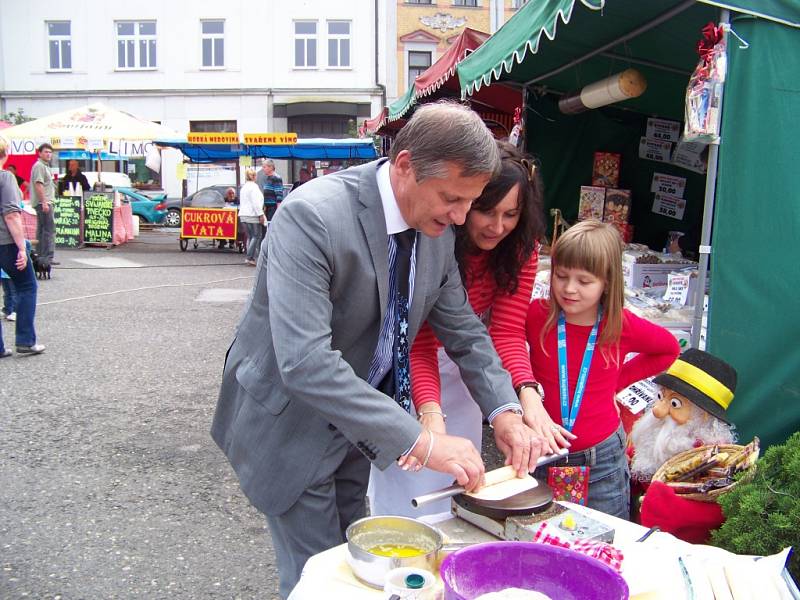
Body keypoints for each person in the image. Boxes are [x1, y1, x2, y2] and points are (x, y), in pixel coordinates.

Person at [211, 102, 546, 598]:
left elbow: (466, 333)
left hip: (357, 427)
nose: (460, 218)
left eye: (467, 203)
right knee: (318, 580)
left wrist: (505, 411)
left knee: (358, 564)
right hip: (291, 423)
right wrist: (424, 440)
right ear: (406, 165)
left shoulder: (435, 229)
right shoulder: (312, 217)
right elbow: (305, 362)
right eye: (452, 199)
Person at [368, 142, 551, 517]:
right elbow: (417, 344)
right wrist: (430, 415)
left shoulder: (521, 248)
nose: (497, 227)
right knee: (410, 486)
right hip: (411, 365)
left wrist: (523, 400)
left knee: (460, 479)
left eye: (511, 214)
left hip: (471, 365)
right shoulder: (436, 240)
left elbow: (505, 332)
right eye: (485, 210)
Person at [525, 220, 680, 519]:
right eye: (561, 276)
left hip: (602, 461)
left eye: (584, 281)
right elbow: (506, 347)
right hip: (542, 454)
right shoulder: (537, 316)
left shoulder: (620, 325)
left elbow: (668, 349)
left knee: (603, 542)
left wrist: (617, 382)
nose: (569, 288)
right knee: (541, 539)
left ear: (607, 282)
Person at [0, 137, 45, 357]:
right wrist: (21, 247)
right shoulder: (5, 177)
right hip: (4, 243)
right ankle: (25, 340)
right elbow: (11, 215)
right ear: (4, 154)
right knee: (27, 286)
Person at [30, 143, 58, 266]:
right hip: (44, 202)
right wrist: (44, 202)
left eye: (50, 152)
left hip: (44, 202)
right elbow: (38, 184)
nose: (48, 154)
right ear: (40, 153)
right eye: (46, 152)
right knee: (49, 230)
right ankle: (47, 257)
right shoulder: (39, 166)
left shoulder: (45, 166)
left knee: (42, 230)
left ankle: (41, 257)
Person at [238, 169, 265, 266]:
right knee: (256, 236)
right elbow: (256, 202)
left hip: (243, 215)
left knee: (250, 237)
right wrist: (261, 214)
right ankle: (250, 257)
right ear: (254, 177)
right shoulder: (254, 188)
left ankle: (250, 256)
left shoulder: (244, 187)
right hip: (252, 215)